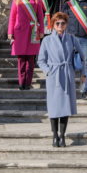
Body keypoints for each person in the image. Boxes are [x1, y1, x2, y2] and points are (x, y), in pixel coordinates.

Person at [37, 12, 77, 147]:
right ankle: (54, 135)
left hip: (66, 73)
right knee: (54, 107)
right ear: (53, 25)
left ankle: (62, 136)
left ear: (66, 24)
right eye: (57, 23)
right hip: (54, 75)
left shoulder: (71, 38)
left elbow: (82, 55)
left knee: (65, 107)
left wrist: (80, 70)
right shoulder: (47, 40)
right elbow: (41, 60)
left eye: (63, 23)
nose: (60, 25)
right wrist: (48, 71)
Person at [8, 0, 45, 90]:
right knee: (21, 60)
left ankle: (27, 83)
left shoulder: (37, 0)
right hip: (19, 33)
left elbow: (40, 17)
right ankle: (21, 83)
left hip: (33, 32)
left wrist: (42, 31)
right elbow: (12, 18)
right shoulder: (17, 0)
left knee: (31, 59)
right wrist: (10, 32)